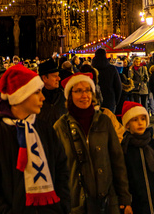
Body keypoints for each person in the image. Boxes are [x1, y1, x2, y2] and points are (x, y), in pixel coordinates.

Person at [0, 63, 70, 214]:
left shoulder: (46, 131)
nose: (43, 97)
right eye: (37, 92)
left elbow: (62, 171)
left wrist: (61, 206)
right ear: (21, 96)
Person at [54, 71, 131, 214]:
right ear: (70, 96)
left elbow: (117, 161)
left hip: (107, 201)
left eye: (88, 90)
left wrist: (125, 198)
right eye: (78, 91)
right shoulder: (60, 126)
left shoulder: (104, 121)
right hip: (76, 203)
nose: (85, 95)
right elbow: (56, 170)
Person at [92, 47, 122, 114]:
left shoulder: (92, 69)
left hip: (95, 101)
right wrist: (116, 101)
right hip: (110, 100)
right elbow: (118, 86)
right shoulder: (112, 69)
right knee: (109, 121)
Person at [38, 59, 66, 128]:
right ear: (44, 78)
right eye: (54, 76)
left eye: (58, 75)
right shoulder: (35, 98)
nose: (59, 78)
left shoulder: (64, 96)